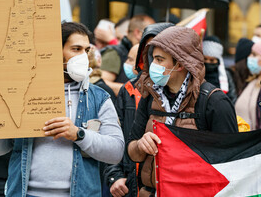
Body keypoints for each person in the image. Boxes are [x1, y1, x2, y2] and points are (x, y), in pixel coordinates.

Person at [0, 22, 124, 197]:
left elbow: (116, 151)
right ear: (55, 51)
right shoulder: (21, 91)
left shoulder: (99, 97)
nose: (83, 56)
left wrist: (78, 134)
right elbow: (0, 149)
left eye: (86, 50)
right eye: (76, 49)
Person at [127, 26, 238, 196]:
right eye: (153, 59)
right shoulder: (149, 96)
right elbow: (131, 149)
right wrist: (141, 145)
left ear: (179, 63)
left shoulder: (214, 101)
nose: (153, 65)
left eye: (159, 59)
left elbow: (231, 163)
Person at [104, 23, 173, 197]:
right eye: (150, 52)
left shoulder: (196, 95)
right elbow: (114, 135)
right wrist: (115, 175)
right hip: (131, 184)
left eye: (159, 54)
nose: (153, 58)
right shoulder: (128, 90)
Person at [100, 15, 155, 96]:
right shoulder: (114, 53)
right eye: (151, 33)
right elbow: (101, 84)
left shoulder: (150, 53)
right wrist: (133, 91)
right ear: (138, 33)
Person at [202, 36, 237, 103]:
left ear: (218, 61)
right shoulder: (196, 75)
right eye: (205, 59)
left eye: (212, 60)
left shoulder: (226, 75)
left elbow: (232, 98)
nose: (208, 62)